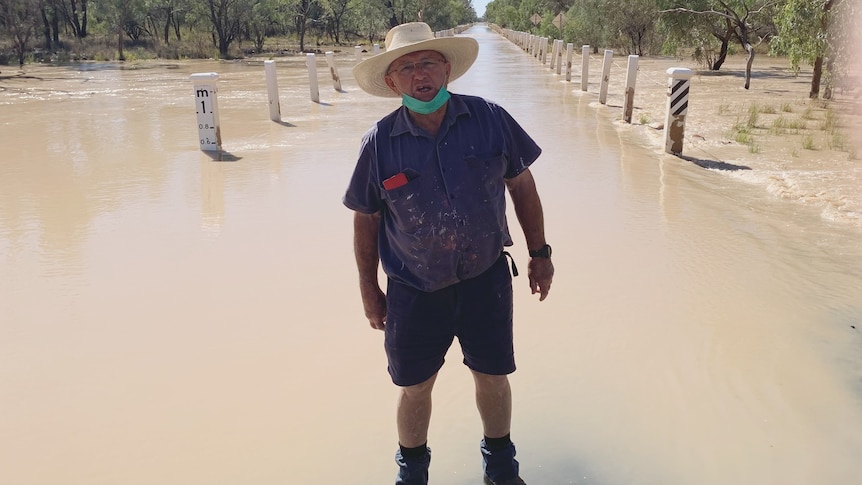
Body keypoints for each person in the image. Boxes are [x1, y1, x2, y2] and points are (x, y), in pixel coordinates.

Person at [344, 22, 554, 485]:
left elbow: (522, 184)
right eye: (406, 67)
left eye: (427, 63)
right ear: (392, 82)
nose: (420, 75)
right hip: (414, 291)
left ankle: (501, 470)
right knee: (414, 388)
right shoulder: (378, 144)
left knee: (493, 376)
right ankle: (412, 475)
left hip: (486, 279)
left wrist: (540, 253)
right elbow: (366, 219)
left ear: (446, 70)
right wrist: (368, 290)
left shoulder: (490, 118)